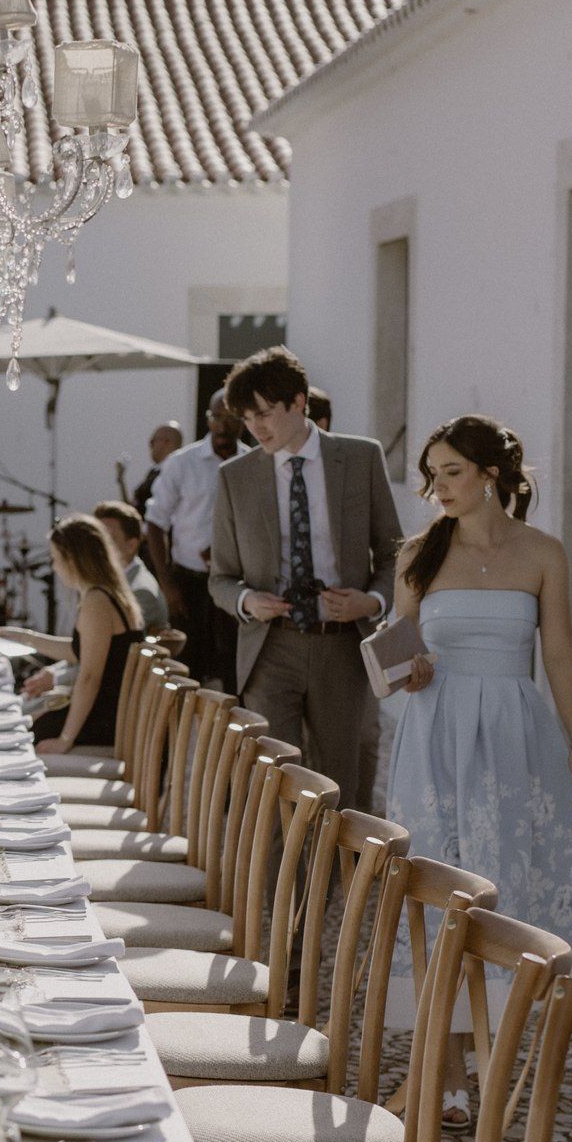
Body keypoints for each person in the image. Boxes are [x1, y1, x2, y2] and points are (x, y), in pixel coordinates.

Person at [385, 416, 572, 1117]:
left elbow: (558, 653)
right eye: (432, 474)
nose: (436, 487)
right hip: (434, 732)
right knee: (441, 893)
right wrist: (404, 671)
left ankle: (489, 1056)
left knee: (502, 882)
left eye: (451, 472)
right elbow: (389, 655)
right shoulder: (417, 552)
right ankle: (440, 1068)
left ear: (489, 475)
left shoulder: (542, 552)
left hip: (514, 735)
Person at [210, 345, 401, 811]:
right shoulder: (235, 477)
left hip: (343, 644)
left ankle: (335, 885)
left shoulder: (360, 459)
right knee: (274, 784)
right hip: (270, 647)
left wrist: (372, 602)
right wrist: (247, 601)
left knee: (340, 785)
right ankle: (278, 886)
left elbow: (397, 555)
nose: (255, 428)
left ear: (299, 402)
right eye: (246, 418)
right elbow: (220, 578)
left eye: (264, 413)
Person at [0, 514, 143, 756]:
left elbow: (89, 678)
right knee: (18, 720)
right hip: (110, 711)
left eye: (55, 559)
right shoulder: (106, 594)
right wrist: (25, 637)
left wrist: (65, 740)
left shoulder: (97, 602)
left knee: (15, 734)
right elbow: (81, 650)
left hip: (106, 719)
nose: (54, 567)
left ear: (73, 560)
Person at [145, 391, 248, 688]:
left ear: (242, 422)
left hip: (234, 581)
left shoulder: (254, 463)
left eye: (230, 418)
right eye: (217, 417)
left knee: (233, 668)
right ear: (208, 419)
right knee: (187, 669)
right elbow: (154, 523)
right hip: (189, 582)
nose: (222, 426)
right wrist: (167, 584)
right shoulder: (182, 463)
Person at [93, 500, 170, 630]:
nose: (98, 546)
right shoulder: (107, 581)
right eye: (96, 538)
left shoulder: (141, 592)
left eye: (108, 539)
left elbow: (101, 644)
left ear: (131, 545)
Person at [132, 421, 183, 511]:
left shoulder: (177, 474)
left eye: (153, 441)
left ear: (166, 442)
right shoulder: (154, 472)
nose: (150, 445)